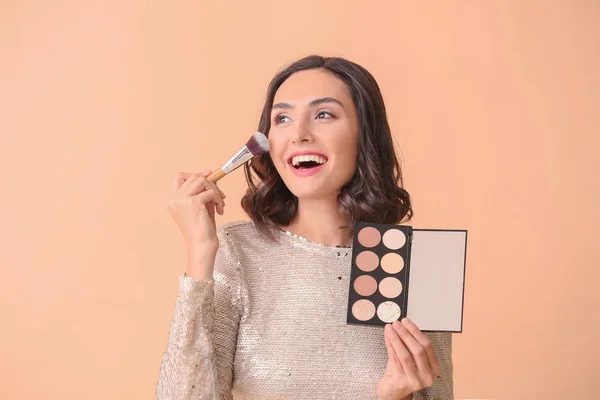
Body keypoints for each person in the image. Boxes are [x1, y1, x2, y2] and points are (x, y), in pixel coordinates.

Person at [156, 55, 453, 400]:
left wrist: (395, 397)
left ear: (364, 134)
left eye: (324, 114)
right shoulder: (235, 253)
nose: (298, 135)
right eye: (282, 118)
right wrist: (200, 253)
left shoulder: (420, 266)